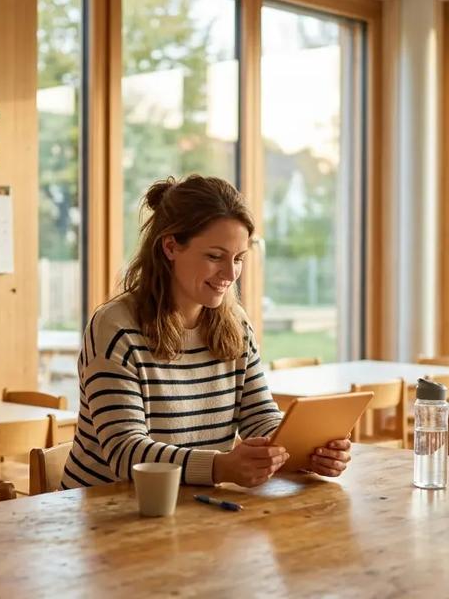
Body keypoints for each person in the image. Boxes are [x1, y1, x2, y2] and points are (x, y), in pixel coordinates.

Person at [61, 175, 352, 489]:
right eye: (215, 257)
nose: (230, 274)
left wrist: (305, 450)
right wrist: (220, 467)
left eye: (238, 259)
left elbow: (259, 416)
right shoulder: (116, 327)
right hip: (102, 515)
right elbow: (125, 453)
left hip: (192, 511)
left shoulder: (235, 324)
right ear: (171, 246)